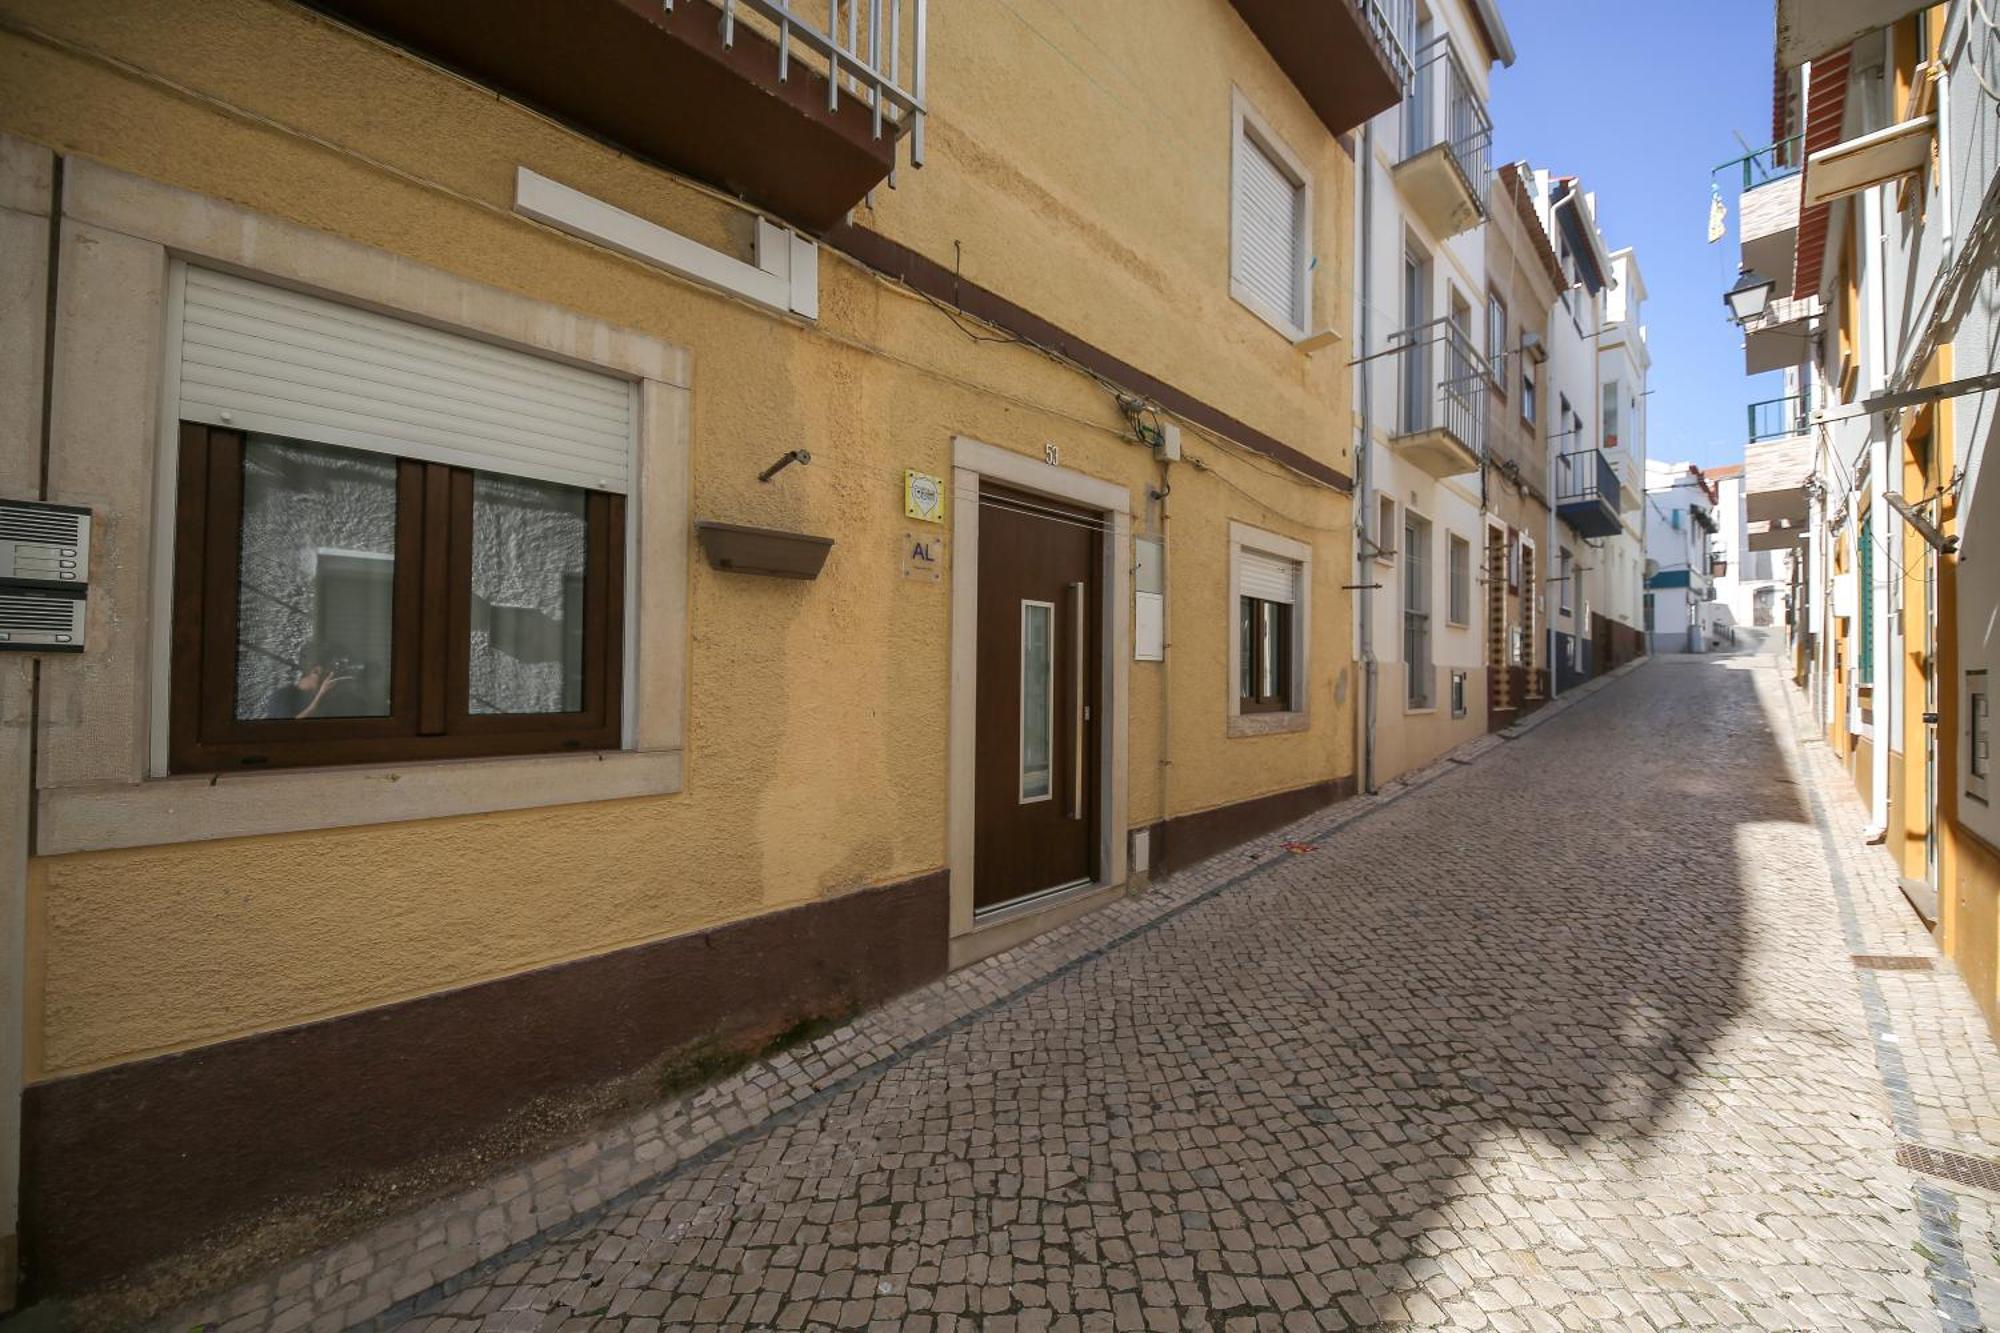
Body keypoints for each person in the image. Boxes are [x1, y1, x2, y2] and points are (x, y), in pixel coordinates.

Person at [263, 659, 354, 719]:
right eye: (327, 674)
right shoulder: (283, 695)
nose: (327, 679)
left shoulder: (314, 698)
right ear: (316, 671)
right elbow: (288, 728)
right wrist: (321, 694)